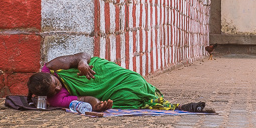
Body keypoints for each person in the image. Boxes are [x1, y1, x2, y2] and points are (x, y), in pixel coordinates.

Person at [27, 52, 208, 112]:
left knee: (134, 80)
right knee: (128, 99)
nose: (59, 84)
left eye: (55, 81)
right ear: (48, 96)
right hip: (103, 90)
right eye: (55, 88)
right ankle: (181, 107)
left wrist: (82, 63)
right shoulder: (57, 100)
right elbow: (83, 100)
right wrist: (98, 105)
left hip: (100, 69)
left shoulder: (51, 66)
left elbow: (83, 56)